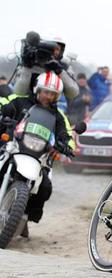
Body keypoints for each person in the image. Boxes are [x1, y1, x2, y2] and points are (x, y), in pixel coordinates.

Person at [0, 71, 75, 236]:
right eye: (45, 92)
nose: (48, 96)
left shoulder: (58, 115)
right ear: (37, 90)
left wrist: (67, 145)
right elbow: (4, 103)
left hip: (40, 154)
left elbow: (67, 133)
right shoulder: (20, 100)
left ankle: (23, 217)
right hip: (15, 145)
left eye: (52, 94)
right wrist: (3, 114)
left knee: (45, 187)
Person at [14, 34, 79, 102]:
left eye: (57, 49)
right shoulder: (31, 63)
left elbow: (73, 93)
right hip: (26, 104)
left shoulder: (64, 66)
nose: (53, 52)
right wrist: (27, 67)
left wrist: (59, 71)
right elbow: (19, 92)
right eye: (50, 49)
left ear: (61, 51)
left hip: (50, 106)